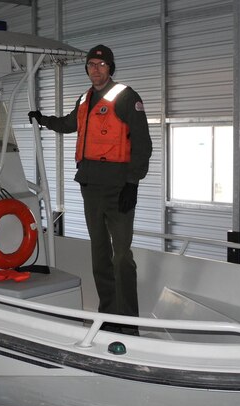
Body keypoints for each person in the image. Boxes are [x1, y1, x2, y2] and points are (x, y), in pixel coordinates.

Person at [28, 44, 152, 335]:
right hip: (90, 186)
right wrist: (43, 119)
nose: (95, 69)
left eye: (101, 64)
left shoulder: (126, 96)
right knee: (99, 253)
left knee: (121, 255)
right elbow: (70, 124)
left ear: (110, 68)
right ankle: (108, 315)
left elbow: (143, 144)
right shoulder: (84, 99)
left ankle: (129, 321)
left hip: (119, 186)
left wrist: (133, 183)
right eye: (91, 65)